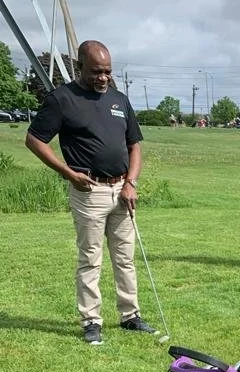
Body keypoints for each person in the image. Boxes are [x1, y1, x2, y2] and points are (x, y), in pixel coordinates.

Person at [25, 40, 155, 345]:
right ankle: (91, 320)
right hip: (89, 191)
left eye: (108, 71)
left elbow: (135, 144)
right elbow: (34, 140)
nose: (103, 77)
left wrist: (131, 183)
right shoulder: (62, 99)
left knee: (125, 258)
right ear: (79, 66)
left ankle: (130, 316)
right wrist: (67, 173)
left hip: (122, 189)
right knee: (90, 258)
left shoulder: (119, 100)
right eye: (96, 71)